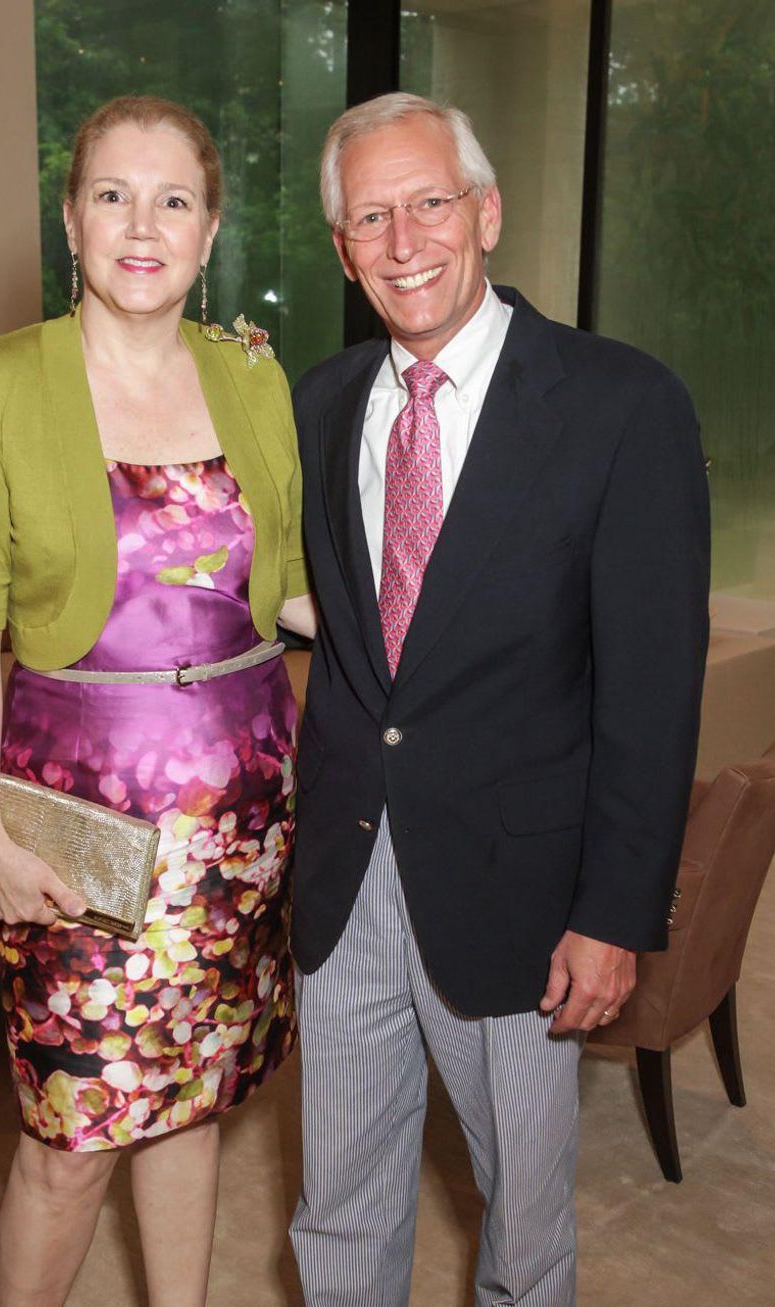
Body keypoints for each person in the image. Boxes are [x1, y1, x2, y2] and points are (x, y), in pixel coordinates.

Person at [288, 92, 710, 1305]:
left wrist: (614, 910)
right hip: (346, 872)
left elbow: (650, 685)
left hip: (524, 898)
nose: (403, 239)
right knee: (336, 1209)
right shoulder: (320, 404)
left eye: (429, 202)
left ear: (486, 213)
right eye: (370, 216)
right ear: (340, 246)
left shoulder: (620, 405)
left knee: (522, 1234)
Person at [0, 95, 315, 1307]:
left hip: (241, 822)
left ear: (209, 233)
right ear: (69, 218)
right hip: (81, 827)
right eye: (111, 193)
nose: (141, 224)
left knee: (189, 1102)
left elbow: (295, 589)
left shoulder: (252, 374)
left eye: (173, 198)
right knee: (70, 1134)